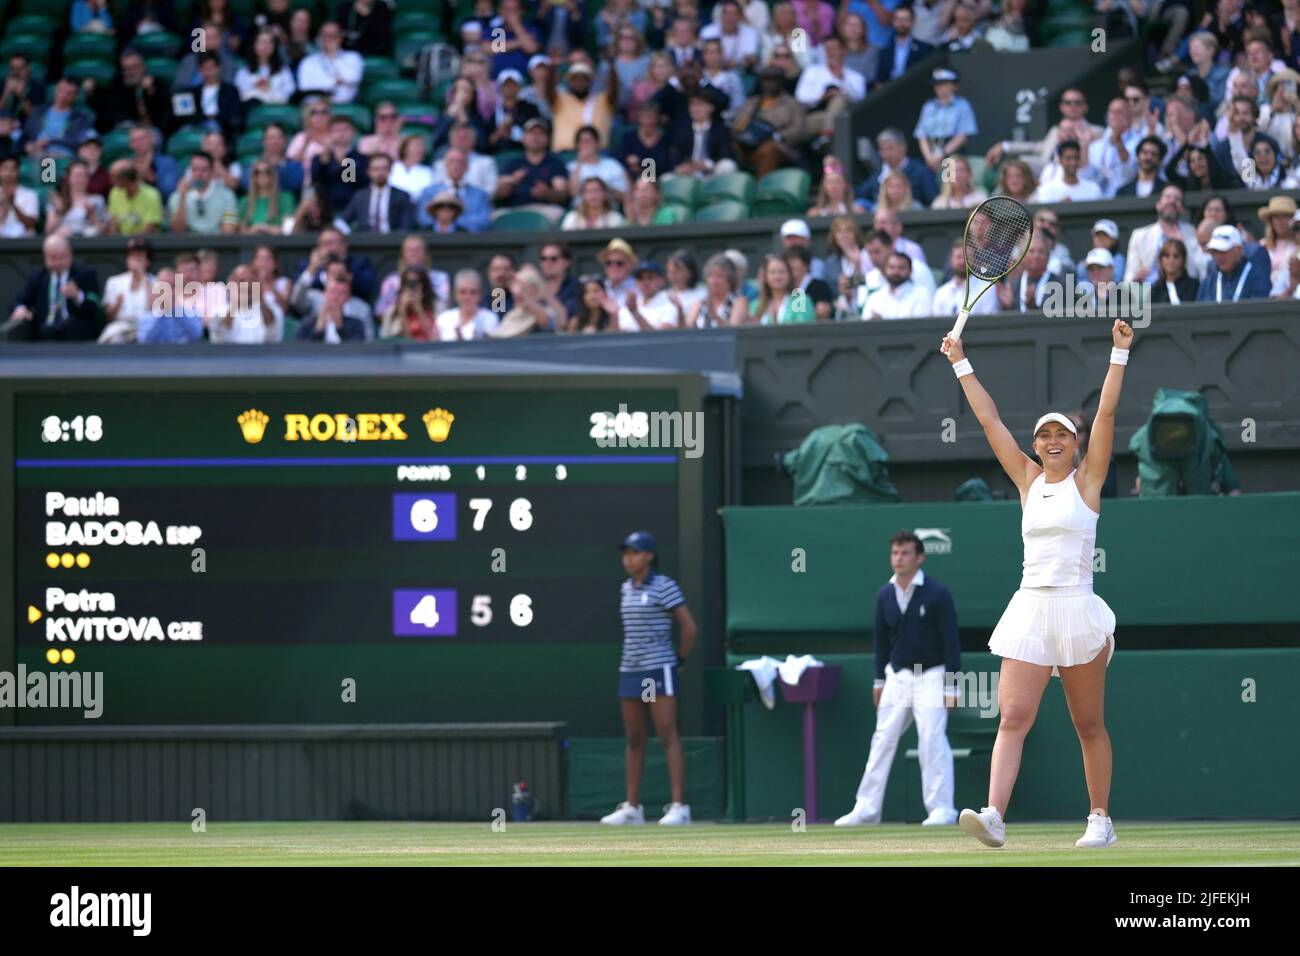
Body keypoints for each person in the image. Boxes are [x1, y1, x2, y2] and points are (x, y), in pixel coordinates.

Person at [944, 317, 1135, 850]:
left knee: (1088, 724)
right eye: (1045, 436)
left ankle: (1100, 817)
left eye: (1062, 435)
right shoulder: (1026, 479)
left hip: (1077, 609)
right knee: (1014, 716)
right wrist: (960, 361)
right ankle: (995, 817)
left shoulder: (1089, 480)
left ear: (1075, 445)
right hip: (1030, 608)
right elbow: (988, 420)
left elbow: (1108, 412)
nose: (1053, 442)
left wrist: (1119, 354)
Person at [835, 530, 961, 827]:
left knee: (931, 740)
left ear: (919, 558)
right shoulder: (884, 594)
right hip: (897, 678)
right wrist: (879, 681)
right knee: (882, 741)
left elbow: (952, 642)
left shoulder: (938, 594)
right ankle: (866, 809)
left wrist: (953, 685)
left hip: (931, 675)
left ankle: (942, 809)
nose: (899, 558)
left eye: (905, 553)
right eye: (895, 553)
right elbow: (881, 643)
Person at [600, 531, 698, 827]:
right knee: (634, 737)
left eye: (635, 552)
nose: (628, 558)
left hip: (658, 670)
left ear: (649, 556)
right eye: (626, 553)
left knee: (667, 733)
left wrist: (677, 661)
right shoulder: (625, 589)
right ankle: (632, 807)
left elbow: (689, 628)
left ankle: (679, 807)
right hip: (631, 670)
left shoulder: (665, 586)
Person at [4, 234, 102, 341]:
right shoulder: (39, 277)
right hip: (45, 332)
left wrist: (78, 296)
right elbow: (20, 301)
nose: (57, 263)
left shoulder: (85, 274)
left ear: (70, 254)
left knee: (70, 326)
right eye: (53, 258)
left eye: (61, 257)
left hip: (76, 333)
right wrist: (20, 308)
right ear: (45, 257)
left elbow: (95, 306)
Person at [732, 65, 808, 178]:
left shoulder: (792, 104)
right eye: (766, 80)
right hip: (749, 142)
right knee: (731, 145)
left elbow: (799, 129)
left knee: (768, 149)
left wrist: (777, 136)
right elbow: (736, 124)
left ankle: (761, 190)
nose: (769, 84)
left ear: (781, 82)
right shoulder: (752, 102)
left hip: (777, 145)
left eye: (773, 81)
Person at [914, 68, 979, 173]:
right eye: (936, 84)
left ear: (954, 85)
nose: (939, 87)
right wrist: (929, 156)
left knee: (950, 184)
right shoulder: (928, 106)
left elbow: (963, 136)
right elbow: (921, 134)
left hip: (953, 154)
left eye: (943, 84)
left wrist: (942, 153)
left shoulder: (962, 105)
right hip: (930, 153)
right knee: (928, 185)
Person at [338, 153, 414, 234]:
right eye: (376, 169)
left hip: (393, 242)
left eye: (384, 168)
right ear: (368, 172)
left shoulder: (402, 196)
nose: (380, 173)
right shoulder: (360, 196)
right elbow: (342, 220)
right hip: (365, 242)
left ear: (390, 170)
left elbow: (406, 225)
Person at [99, 237, 156, 344]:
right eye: (132, 256)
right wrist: (117, 305)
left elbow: (156, 312)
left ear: (148, 262)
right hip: (120, 328)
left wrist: (143, 278)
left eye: (139, 256)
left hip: (146, 329)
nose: (134, 259)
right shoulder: (114, 282)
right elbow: (108, 316)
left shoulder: (156, 282)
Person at [167, 151, 239, 235]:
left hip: (217, 246)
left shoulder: (227, 196)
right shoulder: (177, 196)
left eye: (204, 169)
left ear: (212, 171)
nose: (198, 174)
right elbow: (177, 231)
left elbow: (229, 232)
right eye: (194, 169)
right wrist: (182, 198)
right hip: (187, 246)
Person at [1196, 224, 1274, 301]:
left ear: (1239, 249)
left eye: (1223, 251)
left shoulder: (1256, 276)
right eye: (1215, 251)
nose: (1218, 257)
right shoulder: (1210, 280)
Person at [296, 21, 364, 103]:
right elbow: (305, 88)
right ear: (319, 38)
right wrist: (335, 82)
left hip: (344, 107)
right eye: (325, 35)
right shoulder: (307, 62)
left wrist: (333, 56)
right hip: (314, 108)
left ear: (340, 37)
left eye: (332, 36)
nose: (328, 39)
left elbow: (353, 78)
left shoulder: (354, 57)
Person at [45, 160, 108, 238]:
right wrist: (60, 210)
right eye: (77, 175)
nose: (81, 179)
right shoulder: (58, 200)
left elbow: (106, 232)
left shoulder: (97, 200)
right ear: (68, 177)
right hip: (63, 241)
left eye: (84, 175)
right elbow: (48, 230)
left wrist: (92, 216)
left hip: (89, 244)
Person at [862, 252, 933, 319]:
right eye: (891, 267)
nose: (896, 272)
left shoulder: (921, 294)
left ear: (910, 271)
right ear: (885, 270)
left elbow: (920, 326)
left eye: (901, 268)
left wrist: (883, 323)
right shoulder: (874, 298)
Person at [236, 29, 297, 107]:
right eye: (261, 42)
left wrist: (269, 91)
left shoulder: (283, 70)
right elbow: (240, 94)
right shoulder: (244, 71)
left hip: (277, 110)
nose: (265, 46)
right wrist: (258, 91)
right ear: (254, 45)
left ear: (274, 46)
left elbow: (290, 92)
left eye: (269, 42)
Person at [435, 269, 500, 341]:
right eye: (463, 292)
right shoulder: (444, 319)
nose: (467, 297)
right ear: (455, 294)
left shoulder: (490, 318)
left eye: (473, 292)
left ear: (480, 294)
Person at [687, 253, 749, 327]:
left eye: (719, 276)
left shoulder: (738, 302)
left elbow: (734, 331)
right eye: (710, 276)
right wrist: (680, 311)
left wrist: (715, 317)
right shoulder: (698, 304)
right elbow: (687, 329)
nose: (714, 281)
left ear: (730, 279)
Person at [105, 159, 164, 235]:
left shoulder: (152, 195)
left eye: (114, 177)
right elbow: (114, 225)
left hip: (144, 244)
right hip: (120, 243)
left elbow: (149, 230)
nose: (111, 181)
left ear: (125, 180)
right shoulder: (114, 193)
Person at [378, 268, 438, 341]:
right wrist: (402, 312)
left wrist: (419, 310)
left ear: (423, 285)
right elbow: (406, 342)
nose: (412, 287)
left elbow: (434, 339)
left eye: (415, 283)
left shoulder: (435, 306)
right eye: (408, 283)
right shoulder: (392, 312)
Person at [1033, 140, 1103, 203]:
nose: (1073, 162)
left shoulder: (1093, 189)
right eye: (1068, 159)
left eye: (1076, 158)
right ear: (1060, 160)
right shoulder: (1047, 190)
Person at [1149, 236, 1200, 305]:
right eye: (1167, 256)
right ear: (1161, 260)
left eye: (1176, 256)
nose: (1171, 260)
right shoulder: (1154, 290)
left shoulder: (1194, 286)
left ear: (1183, 260)